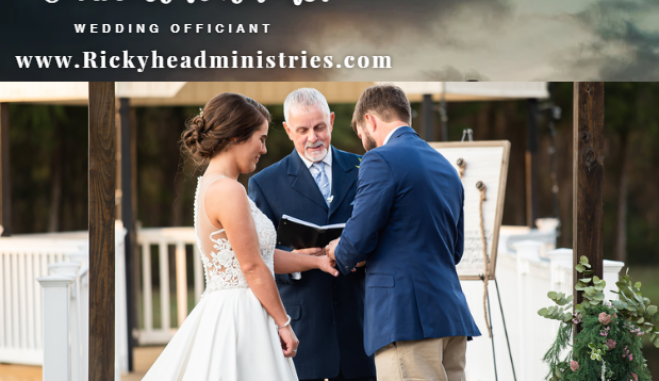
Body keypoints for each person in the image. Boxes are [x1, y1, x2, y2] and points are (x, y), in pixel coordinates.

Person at [143, 93, 339, 381]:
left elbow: (254, 256)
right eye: (260, 138)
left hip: (232, 306)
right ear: (236, 137)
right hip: (240, 316)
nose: (264, 148)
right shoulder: (228, 190)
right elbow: (251, 267)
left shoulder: (212, 184)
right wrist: (283, 323)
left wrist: (314, 261)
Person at [327, 84, 481, 381]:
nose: (363, 143)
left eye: (361, 134)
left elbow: (355, 242)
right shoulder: (446, 167)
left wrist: (337, 249)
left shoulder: (380, 159)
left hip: (406, 319)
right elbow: (455, 250)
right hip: (450, 317)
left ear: (370, 121)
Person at [248, 88, 376, 381]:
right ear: (287, 130)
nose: (313, 137)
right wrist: (297, 259)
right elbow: (258, 259)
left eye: (319, 127)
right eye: (302, 130)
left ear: (331, 121)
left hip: (359, 323)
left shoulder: (365, 168)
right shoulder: (264, 183)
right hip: (303, 330)